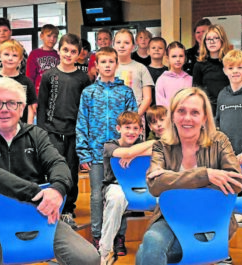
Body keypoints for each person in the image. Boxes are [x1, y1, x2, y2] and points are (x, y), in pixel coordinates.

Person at [0, 77, 99, 265]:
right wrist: (38, 194)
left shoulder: (36, 134)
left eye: (11, 103)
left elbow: (58, 164)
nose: (4, 109)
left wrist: (58, 188)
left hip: (40, 218)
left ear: (22, 107)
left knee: (89, 259)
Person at [135, 87, 242, 265]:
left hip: (211, 219)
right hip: (171, 217)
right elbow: (155, 185)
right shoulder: (161, 146)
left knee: (145, 254)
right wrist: (205, 175)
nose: (187, 118)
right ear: (173, 115)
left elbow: (236, 181)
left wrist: (172, 178)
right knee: (152, 242)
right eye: (181, 111)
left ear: (204, 118)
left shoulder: (219, 141)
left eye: (195, 112)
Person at [76, 46, 137, 251]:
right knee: (96, 196)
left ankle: (119, 237)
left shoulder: (126, 92)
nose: (108, 65)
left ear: (117, 64)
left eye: (111, 61)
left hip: (120, 155)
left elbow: (134, 122)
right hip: (95, 153)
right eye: (103, 62)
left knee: (120, 195)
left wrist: (132, 150)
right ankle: (97, 236)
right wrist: (83, 152)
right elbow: (82, 122)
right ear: (97, 66)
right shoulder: (89, 92)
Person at [37, 33, 91, 228]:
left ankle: (68, 208)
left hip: (74, 133)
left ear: (79, 54)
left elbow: (86, 109)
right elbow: (42, 105)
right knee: (52, 171)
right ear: (58, 51)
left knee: (71, 172)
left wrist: (85, 134)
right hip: (51, 131)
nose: (68, 54)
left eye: (73, 51)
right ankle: (52, 206)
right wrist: (41, 132)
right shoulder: (49, 76)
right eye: (65, 50)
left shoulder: (83, 78)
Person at [100, 111, 156, 264]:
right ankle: (104, 251)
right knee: (116, 198)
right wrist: (133, 152)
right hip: (116, 186)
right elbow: (124, 152)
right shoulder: (109, 145)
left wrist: (133, 154)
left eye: (135, 128)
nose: (131, 132)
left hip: (144, 187)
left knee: (168, 195)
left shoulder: (140, 144)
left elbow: (162, 146)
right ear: (118, 129)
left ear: (140, 130)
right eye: (127, 127)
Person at [0, 39, 37, 125]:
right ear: (0, 56)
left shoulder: (27, 82)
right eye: (6, 54)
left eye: (15, 55)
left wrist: (29, 130)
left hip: (20, 130)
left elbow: (30, 109)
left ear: (20, 59)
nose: (10, 58)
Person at [114, 29, 154, 137]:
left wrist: (135, 117)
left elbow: (147, 98)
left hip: (136, 120)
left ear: (133, 46)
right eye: (118, 42)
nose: (122, 46)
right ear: (113, 45)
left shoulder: (141, 68)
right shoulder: (108, 68)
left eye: (126, 43)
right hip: (114, 120)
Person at [193, 24, 231, 114]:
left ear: (222, 40)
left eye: (216, 38)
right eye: (208, 39)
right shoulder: (199, 65)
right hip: (208, 109)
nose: (212, 41)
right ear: (204, 42)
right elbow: (197, 91)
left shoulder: (230, 63)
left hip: (228, 107)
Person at [26, 24, 60, 96]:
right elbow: (30, 76)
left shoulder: (59, 55)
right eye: (49, 36)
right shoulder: (34, 54)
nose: (52, 39)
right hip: (39, 94)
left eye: (55, 37)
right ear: (41, 36)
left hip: (56, 94)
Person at [156, 41, 192, 108]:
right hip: (168, 116)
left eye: (181, 56)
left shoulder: (190, 79)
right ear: (167, 58)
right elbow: (160, 105)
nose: (178, 59)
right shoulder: (162, 80)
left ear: (185, 58)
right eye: (174, 56)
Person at [147, 37, 168, 106]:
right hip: (148, 108)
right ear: (148, 51)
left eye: (160, 48)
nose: (156, 50)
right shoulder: (144, 70)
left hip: (164, 107)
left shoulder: (168, 71)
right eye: (153, 48)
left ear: (165, 52)